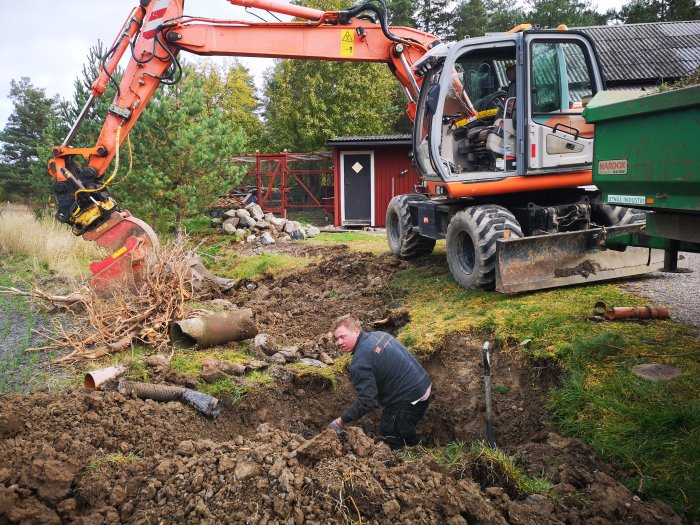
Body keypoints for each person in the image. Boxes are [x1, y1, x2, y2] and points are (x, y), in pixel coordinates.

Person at [328, 315, 432, 449]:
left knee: (390, 438)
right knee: (398, 427)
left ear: (356, 331)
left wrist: (341, 421)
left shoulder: (359, 363)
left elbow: (367, 401)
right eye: (337, 339)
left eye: (343, 336)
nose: (339, 342)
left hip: (410, 399)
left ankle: (415, 456)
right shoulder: (380, 335)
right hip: (423, 385)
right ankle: (414, 445)